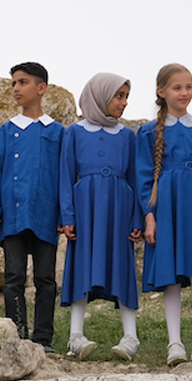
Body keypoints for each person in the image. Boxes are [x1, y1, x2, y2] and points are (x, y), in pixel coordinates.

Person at [137, 63, 192, 366]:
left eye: (189, 86)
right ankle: (175, 342)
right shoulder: (147, 132)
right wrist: (149, 215)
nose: (185, 93)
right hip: (166, 206)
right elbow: (144, 177)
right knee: (171, 272)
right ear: (161, 92)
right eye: (177, 87)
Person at [59, 73, 144, 360]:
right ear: (99, 96)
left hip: (120, 207)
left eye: (126, 97)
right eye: (118, 96)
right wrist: (68, 215)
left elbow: (135, 179)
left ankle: (131, 337)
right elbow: (66, 176)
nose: (123, 103)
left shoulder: (127, 136)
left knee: (122, 265)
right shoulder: (75, 132)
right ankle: (75, 336)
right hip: (86, 207)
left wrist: (137, 219)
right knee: (83, 264)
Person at [0, 62, 64, 353]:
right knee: (14, 277)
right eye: (14, 83)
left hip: (46, 212)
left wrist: (65, 213)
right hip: (13, 213)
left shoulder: (57, 132)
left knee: (46, 279)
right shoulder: (6, 131)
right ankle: (17, 336)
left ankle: (44, 339)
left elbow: (65, 176)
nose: (16, 88)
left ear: (41, 88)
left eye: (23, 82)